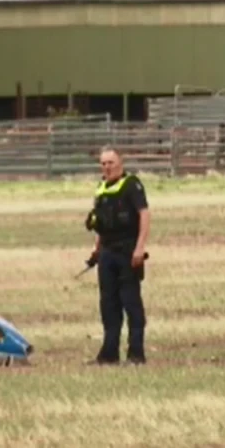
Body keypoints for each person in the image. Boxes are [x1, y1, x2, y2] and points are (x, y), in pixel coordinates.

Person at [84, 146, 151, 365]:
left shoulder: (132, 185)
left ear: (120, 163)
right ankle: (109, 354)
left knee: (131, 303)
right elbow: (99, 223)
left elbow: (144, 215)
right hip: (107, 253)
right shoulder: (101, 188)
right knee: (108, 305)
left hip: (128, 251)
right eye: (103, 163)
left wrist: (140, 248)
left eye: (110, 162)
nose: (106, 167)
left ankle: (136, 354)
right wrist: (96, 250)